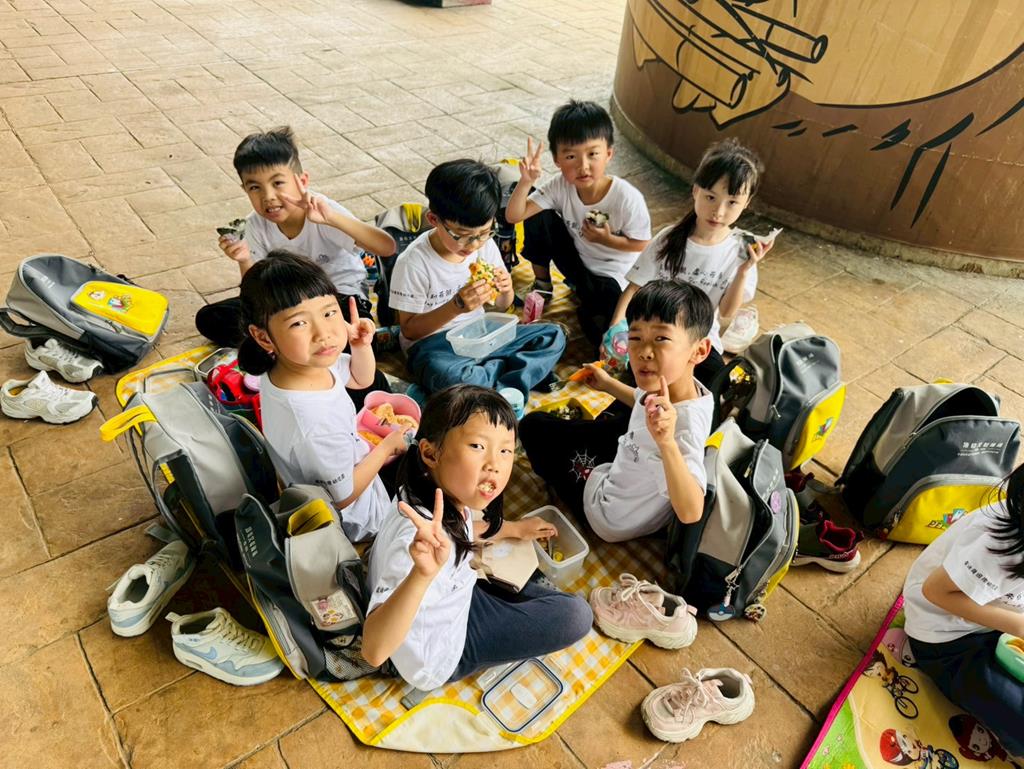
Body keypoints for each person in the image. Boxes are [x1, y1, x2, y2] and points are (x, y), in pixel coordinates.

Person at [362, 385, 593, 690]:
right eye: (477, 446)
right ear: (430, 453)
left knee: (543, 592)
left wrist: (513, 529)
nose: (494, 465)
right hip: (440, 651)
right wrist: (421, 575)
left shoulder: (424, 487)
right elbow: (374, 651)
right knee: (577, 615)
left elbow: (464, 528)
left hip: (452, 598)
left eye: (505, 450)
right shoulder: (417, 542)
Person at [196, 126, 396, 408]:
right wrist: (244, 260)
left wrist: (332, 219)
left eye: (278, 183)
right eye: (255, 187)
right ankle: (296, 353)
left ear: (301, 180)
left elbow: (386, 247)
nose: (268, 197)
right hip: (288, 304)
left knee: (357, 355)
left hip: (336, 300)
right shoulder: (255, 225)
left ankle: (303, 354)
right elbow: (255, 293)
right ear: (245, 189)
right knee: (211, 318)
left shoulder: (322, 210)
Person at [520, 279, 714, 543]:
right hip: (630, 463)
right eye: (635, 338)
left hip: (608, 516)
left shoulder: (683, 428)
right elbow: (640, 399)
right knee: (598, 425)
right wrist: (608, 384)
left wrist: (666, 443)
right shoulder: (681, 388)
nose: (644, 352)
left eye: (661, 339)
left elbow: (691, 512)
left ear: (699, 350)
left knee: (533, 426)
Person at [238, 251, 406, 542]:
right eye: (298, 323)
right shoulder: (314, 425)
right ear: (263, 337)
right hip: (361, 516)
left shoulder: (295, 365)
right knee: (428, 466)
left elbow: (360, 379)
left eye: (329, 313)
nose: (323, 334)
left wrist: (360, 345)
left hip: (346, 461)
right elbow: (341, 498)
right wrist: (386, 447)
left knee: (378, 383)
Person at [388, 159, 565, 396]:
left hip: (482, 332)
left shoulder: (485, 245)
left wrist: (506, 289)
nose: (473, 244)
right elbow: (410, 330)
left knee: (553, 336)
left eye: (483, 233)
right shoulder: (413, 262)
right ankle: (511, 376)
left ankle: (489, 380)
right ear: (434, 220)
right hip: (437, 346)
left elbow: (501, 306)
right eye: (461, 235)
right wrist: (455, 307)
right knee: (446, 376)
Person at [606, 138, 772, 387]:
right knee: (644, 386)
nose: (719, 211)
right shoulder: (669, 238)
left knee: (718, 386)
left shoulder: (741, 251)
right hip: (655, 338)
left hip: (698, 342)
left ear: (746, 203)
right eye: (710, 197)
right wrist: (616, 327)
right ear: (695, 191)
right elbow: (634, 288)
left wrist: (744, 270)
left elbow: (727, 312)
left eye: (732, 202)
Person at [505, 100, 651, 347]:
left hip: (613, 276)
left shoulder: (626, 197)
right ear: (557, 160)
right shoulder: (560, 186)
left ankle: (591, 305)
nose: (583, 166)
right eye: (571, 156)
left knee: (605, 329)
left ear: (609, 154)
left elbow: (643, 244)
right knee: (538, 214)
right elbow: (514, 216)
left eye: (593, 154)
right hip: (577, 264)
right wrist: (526, 181)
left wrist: (607, 240)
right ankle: (543, 284)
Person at [902, 464, 1024, 759]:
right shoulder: (998, 545)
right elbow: (935, 591)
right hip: (946, 638)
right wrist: (1018, 625)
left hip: (994, 618)